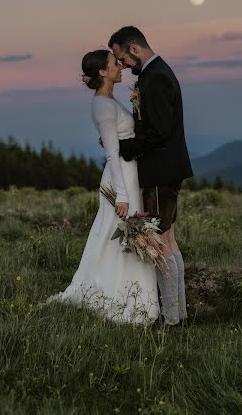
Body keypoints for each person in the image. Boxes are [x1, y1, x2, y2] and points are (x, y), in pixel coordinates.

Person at [46, 50, 159, 325]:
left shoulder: (109, 100)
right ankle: (116, 295)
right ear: (103, 73)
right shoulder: (103, 106)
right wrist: (121, 195)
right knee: (117, 234)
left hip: (128, 173)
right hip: (119, 178)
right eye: (114, 64)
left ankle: (136, 293)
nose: (120, 67)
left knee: (119, 233)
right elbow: (111, 152)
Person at [109, 26, 193, 327]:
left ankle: (171, 321)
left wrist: (124, 147)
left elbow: (158, 132)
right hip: (168, 169)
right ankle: (179, 315)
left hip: (160, 170)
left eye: (122, 58)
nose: (122, 66)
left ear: (134, 48)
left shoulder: (155, 77)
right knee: (169, 241)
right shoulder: (154, 73)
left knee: (158, 244)